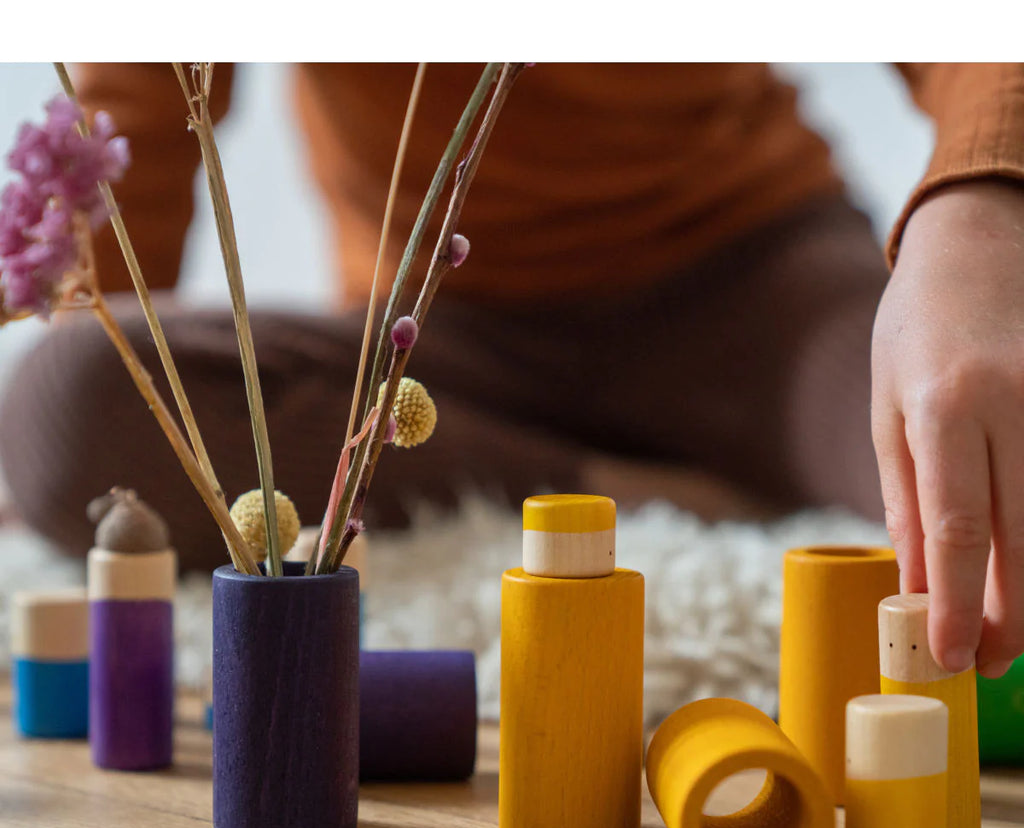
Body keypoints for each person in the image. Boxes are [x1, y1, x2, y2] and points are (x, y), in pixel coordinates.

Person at [1, 63, 1022, 680]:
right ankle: (627, 486)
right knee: (67, 402)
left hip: (762, 297)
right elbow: (129, 117)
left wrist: (975, 212)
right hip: (429, 340)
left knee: (981, 456)